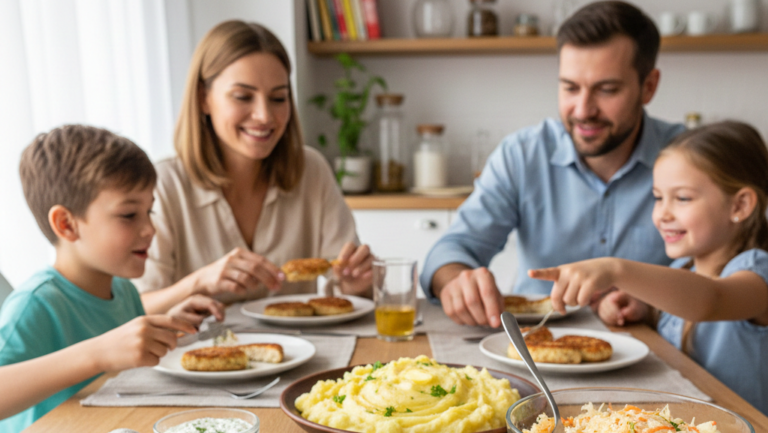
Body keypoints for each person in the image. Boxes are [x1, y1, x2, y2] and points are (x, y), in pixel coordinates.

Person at [420, 1, 686, 328]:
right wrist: (454, 280)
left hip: (654, 345)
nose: (583, 110)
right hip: (533, 341)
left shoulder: (692, 161)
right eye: (570, 88)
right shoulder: (522, 155)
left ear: (648, 86)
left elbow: (720, 275)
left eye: (606, 90)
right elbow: (452, 250)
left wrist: (653, 301)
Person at [134, 21, 373, 313]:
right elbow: (134, 309)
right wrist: (199, 282)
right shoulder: (164, 184)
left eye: (278, 98)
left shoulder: (311, 170)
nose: (264, 116)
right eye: (243, 97)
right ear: (203, 98)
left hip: (302, 342)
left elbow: (348, 286)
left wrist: (356, 284)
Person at [530, 121, 768, 415]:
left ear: (740, 206)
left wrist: (615, 269)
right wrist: (643, 308)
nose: (662, 214)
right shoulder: (684, 267)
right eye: (658, 197)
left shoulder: (758, 273)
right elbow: (683, 305)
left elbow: (712, 300)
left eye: (682, 198)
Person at [0, 125, 224, 432]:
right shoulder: (35, 304)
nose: (150, 229)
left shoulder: (124, 292)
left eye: (149, 212)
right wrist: (98, 353)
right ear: (66, 224)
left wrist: (163, 328)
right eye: (129, 215)